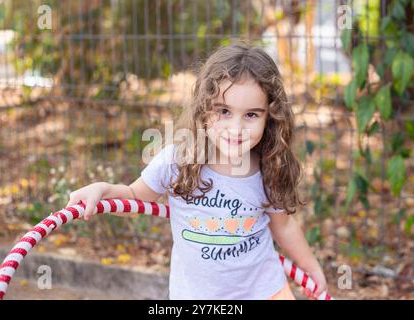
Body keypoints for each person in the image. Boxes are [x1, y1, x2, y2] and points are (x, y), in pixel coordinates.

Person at [66, 40, 327, 300]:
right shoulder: (177, 161)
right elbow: (134, 198)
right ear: (203, 109)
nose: (236, 129)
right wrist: (102, 189)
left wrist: (311, 268)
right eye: (224, 111)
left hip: (265, 292)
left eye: (251, 115)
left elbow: (284, 227)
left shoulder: (268, 166)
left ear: (269, 117)